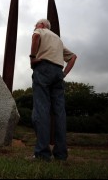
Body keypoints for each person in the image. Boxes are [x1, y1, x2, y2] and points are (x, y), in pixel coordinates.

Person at [29, 19, 77, 161]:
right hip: (58, 72)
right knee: (59, 113)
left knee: (41, 109)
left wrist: (32, 58)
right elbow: (73, 57)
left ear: (42, 25)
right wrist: (64, 74)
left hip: (43, 69)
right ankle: (61, 155)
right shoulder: (58, 39)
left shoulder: (40, 31)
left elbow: (35, 37)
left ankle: (42, 154)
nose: (34, 27)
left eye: (36, 25)